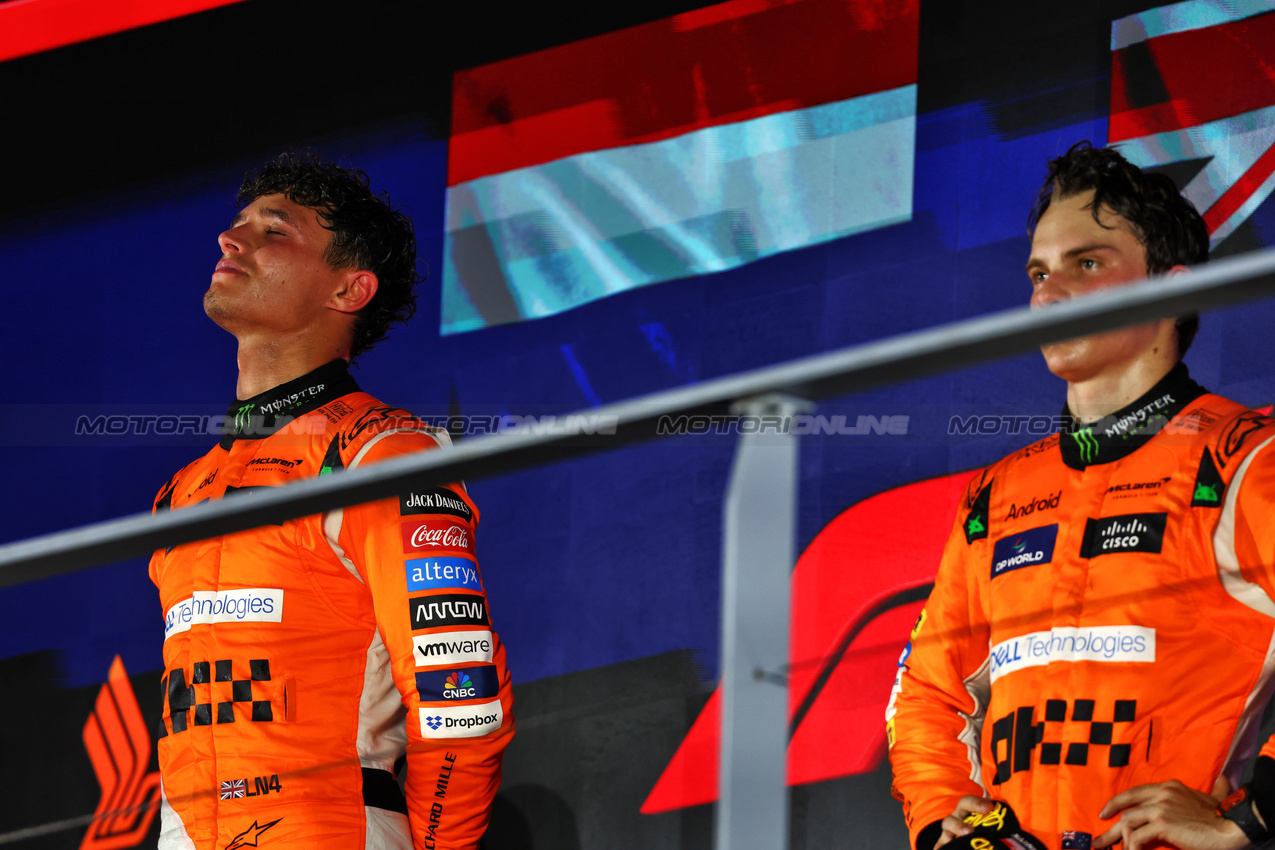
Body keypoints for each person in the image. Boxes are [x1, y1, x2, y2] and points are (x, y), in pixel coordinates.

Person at [886, 141, 1275, 850]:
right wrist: (944, 817)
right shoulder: (996, 493)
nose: (1046, 294)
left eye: (1085, 264)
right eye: (1039, 271)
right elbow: (925, 695)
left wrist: (1248, 819)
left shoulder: (1246, 457)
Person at [149, 153, 514, 850]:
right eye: (237, 226)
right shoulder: (184, 490)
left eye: (274, 231)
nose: (232, 241)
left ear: (348, 289)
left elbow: (462, 705)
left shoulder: (381, 455)